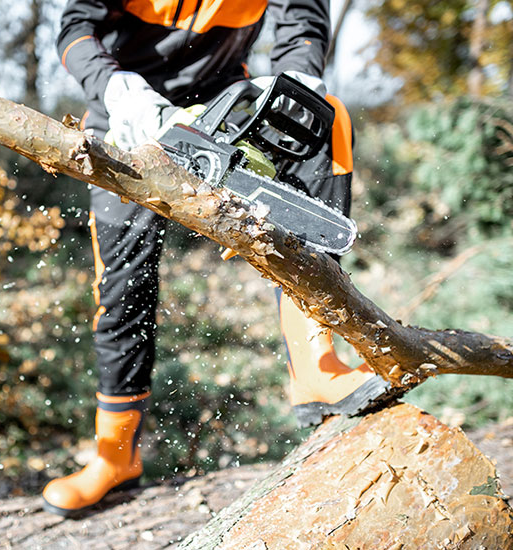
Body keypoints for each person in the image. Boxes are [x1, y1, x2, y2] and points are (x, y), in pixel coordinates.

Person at [42, 0, 393, 518]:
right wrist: (116, 87)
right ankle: (114, 456)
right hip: (124, 118)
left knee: (326, 119)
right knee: (123, 290)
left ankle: (315, 368)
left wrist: (300, 72)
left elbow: (301, 14)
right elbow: (77, 26)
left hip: (223, 107)